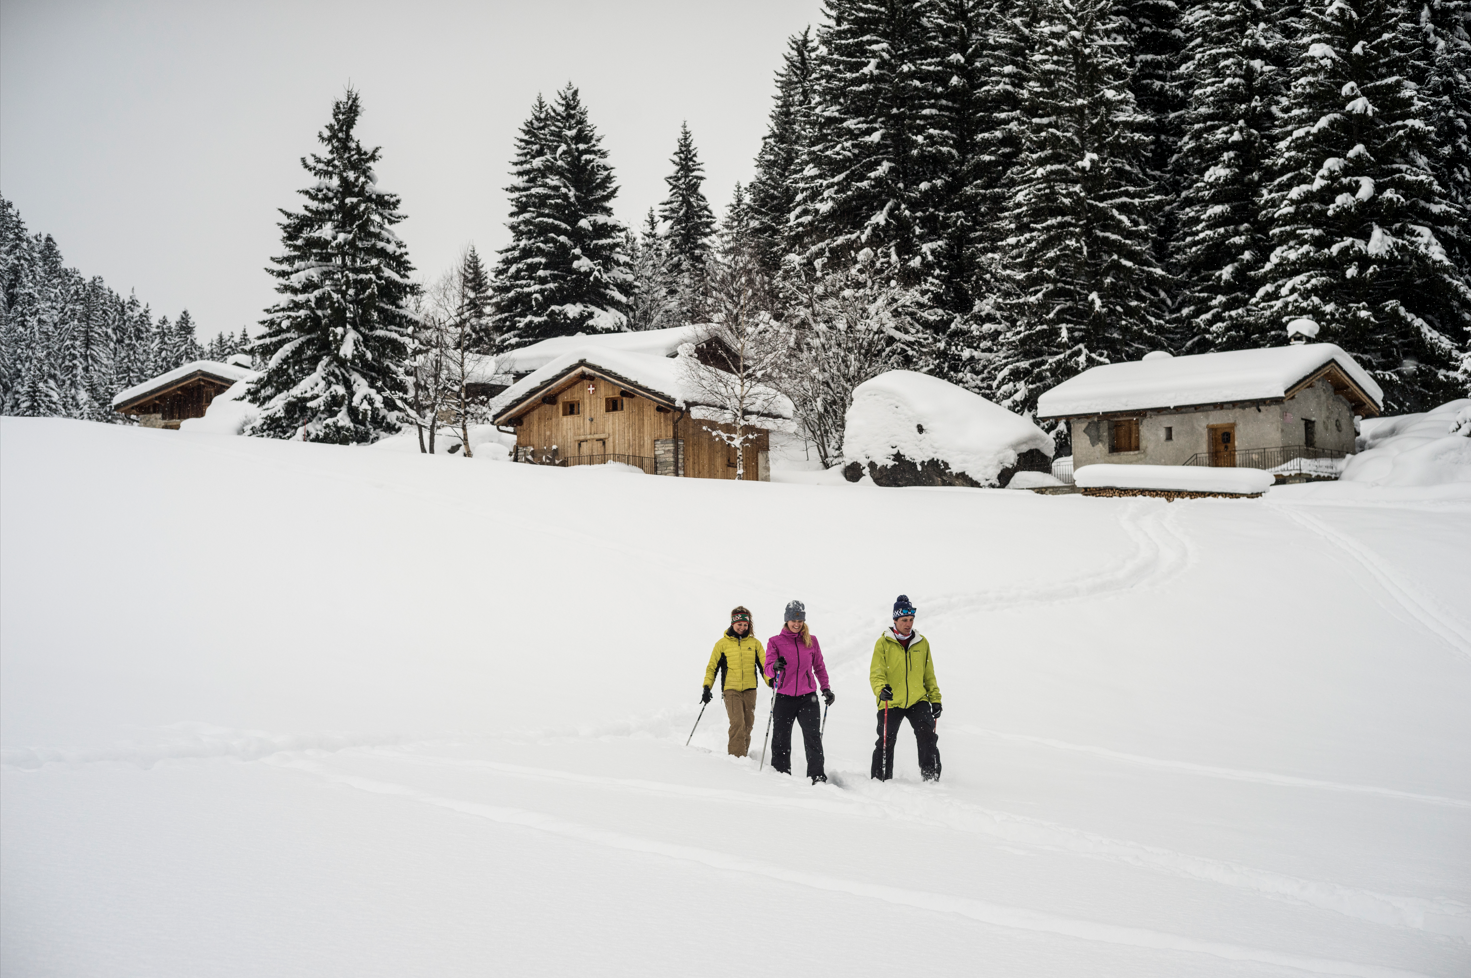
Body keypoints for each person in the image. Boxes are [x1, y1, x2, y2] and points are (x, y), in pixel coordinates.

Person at [870, 594, 942, 781]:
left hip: (918, 700)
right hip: (891, 700)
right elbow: (876, 673)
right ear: (895, 620)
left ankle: (931, 778)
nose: (908, 624)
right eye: (904, 620)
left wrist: (935, 699)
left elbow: (929, 675)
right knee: (886, 740)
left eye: (911, 620)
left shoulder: (922, 643)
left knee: (927, 736)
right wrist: (881, 689)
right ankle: (880, 779)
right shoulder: (883, 643)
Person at [765, 599, 834, 784]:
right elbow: (767, 669)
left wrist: (825, 688)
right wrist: (775, 665)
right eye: (793, 620)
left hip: (807, 698)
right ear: (786, 620)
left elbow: (819, 666)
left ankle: (817, 775)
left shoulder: (812, 641)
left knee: (812, 737)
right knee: (781, 738)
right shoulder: (775, 642)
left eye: (800, 620)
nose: (796, 624)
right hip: (783, 697)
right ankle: (780, 774)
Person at [702, 606, 768, 757]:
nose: (742, 628)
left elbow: (765, 667)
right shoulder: (722, 644)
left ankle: (742, 755)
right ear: (733, 623)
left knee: (747, 725)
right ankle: (736, 759)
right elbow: (712, 668)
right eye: (739, 624)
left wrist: (771, 681)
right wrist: (707, 687)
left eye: (745, 625)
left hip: (750, 690)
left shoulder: (755, 644)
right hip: (731, 690)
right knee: (737, 723)